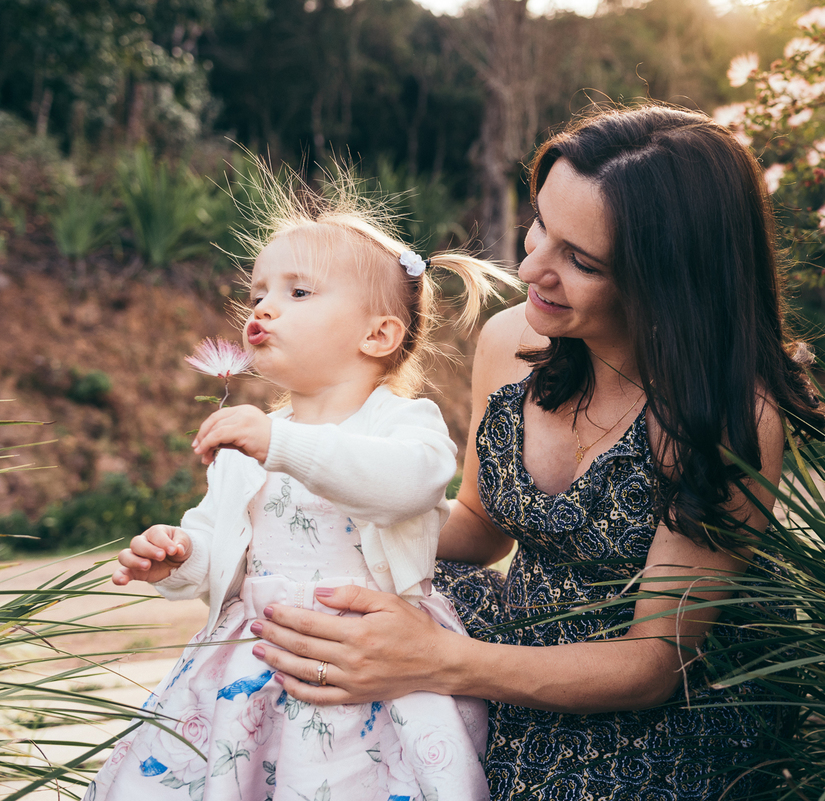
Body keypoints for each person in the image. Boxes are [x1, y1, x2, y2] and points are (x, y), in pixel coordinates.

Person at [249, 104, 825, 799]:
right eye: (540, 226)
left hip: (653, 709)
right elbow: (478, 527)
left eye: (579, 260)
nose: (529, 266)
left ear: (667, 282)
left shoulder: (731, 415)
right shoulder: (510, 342)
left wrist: (438, 660)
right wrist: (314, 512)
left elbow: (653, 663)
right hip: (504, 640)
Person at [86, 173, 515, 801]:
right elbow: (223, 551)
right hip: (255, 664)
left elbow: (410, 485)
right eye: (258, 292)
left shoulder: (400, 421)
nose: (263, 308)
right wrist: (180, 557)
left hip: (371, 665)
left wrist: (279, 446)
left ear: (378, 334)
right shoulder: (253, 440)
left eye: (299, 291)